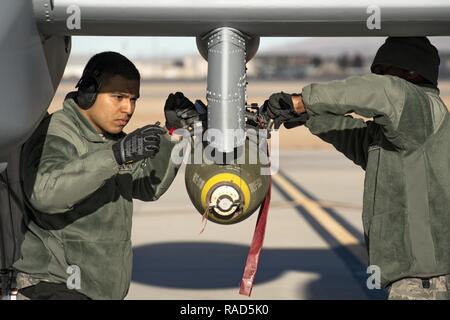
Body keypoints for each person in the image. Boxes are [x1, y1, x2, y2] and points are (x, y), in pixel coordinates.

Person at [262, 37, 450, 300]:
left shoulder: (421, 108)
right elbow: (354, 137)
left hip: (427, 282)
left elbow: (383, 92)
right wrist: (308, 117)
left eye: (386, 72)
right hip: (417, 280)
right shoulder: (398, 134)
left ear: (412, 73)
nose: (381, 78)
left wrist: (302, 101)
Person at [13, 51, 199, 300]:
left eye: (133, 99)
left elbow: (147, 187)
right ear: (88, 92)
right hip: (54, 286)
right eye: (119, 97)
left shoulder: (111, 140)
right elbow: (45, 193)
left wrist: (174, 135)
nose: (129, 108)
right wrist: (116, 156)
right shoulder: (57, 132)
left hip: (95, 292)